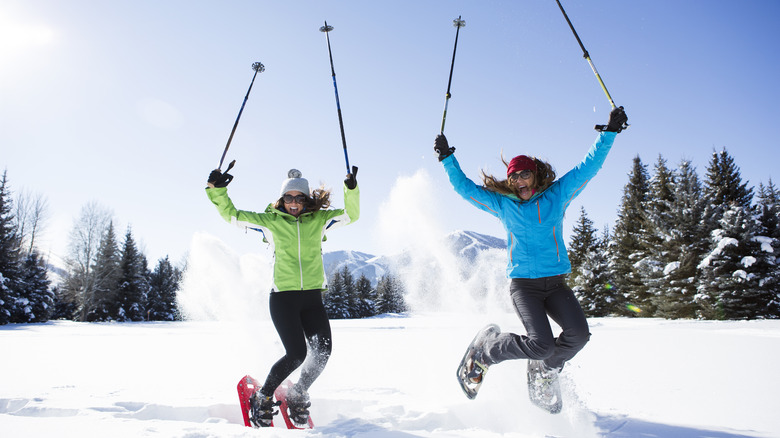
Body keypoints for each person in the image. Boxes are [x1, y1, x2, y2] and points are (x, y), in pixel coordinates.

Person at [435, 107, 628, 409]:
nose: (520, 181)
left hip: (555, 285)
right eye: (514, 178)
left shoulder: (557, 195)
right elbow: (464, 189)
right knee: (540, 344)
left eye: (525, 174)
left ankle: (547, 369)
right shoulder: (503, 205)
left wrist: (609, 133)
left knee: (578, 336)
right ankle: (486, 352)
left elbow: (588, 167)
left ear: (535, 174)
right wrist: (448, 159)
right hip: (524, 285)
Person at [206, 165, 359, 427]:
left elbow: (350, 215)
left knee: (322, 352)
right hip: (283, 299)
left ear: (307, 200)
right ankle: (263, 397)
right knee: (296, 354)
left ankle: (298, 392)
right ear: (281, 200)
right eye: (289, 198)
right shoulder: (270, 223)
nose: (294, 203)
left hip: (312, 299)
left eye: (300, 198)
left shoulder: (319, 221)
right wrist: (218, 191)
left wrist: (351, 189)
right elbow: (232, 215)